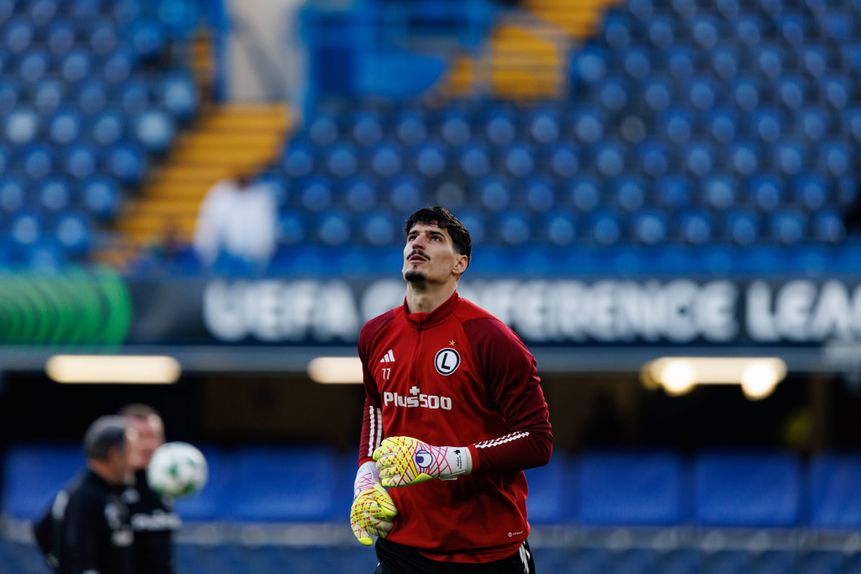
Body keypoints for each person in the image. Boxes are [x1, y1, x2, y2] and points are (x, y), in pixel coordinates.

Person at [350, 206, 553, 573]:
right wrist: (366, 478)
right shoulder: (374, 334)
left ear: (460, 264)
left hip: (484, 552)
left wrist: (446, 460)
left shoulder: (491, 338)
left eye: (434, 238)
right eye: (412, 237)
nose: (418, 243)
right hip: (402, 547)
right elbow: (376, 406)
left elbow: (537, 440)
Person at [33, 415, 135, 574]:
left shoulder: (109, 491)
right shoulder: (83, 496)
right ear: (115, 454)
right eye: (130, 451)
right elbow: (79, 561)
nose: (133, 461)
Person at [120, 404, 180, 574]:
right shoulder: (107, 488)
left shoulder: (165, 485)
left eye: (153, 436)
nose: (147, 445)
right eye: (140, 436)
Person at [192, 171, 277, 269]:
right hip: (224, 257)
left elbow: (266, 231)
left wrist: (263, 255)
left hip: (254, 259)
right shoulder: (220, 194)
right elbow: (209, 228)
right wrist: (208, 254)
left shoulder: (262, 196)